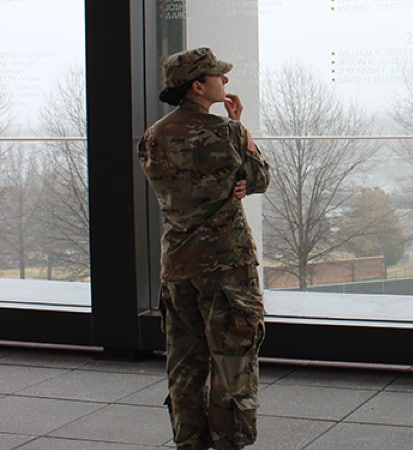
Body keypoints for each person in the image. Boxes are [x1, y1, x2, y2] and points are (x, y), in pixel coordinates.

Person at [137, 47, 270, 449]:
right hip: (227, 267)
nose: (224, 81)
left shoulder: (153, 137)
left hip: (178, 267)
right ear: (198, 86)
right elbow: (260, 177)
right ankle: (230, 441)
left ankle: (189, 441)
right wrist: (238, 125)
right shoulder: (224, 133)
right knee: (232, 365)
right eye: (218, 76)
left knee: (185, 365)